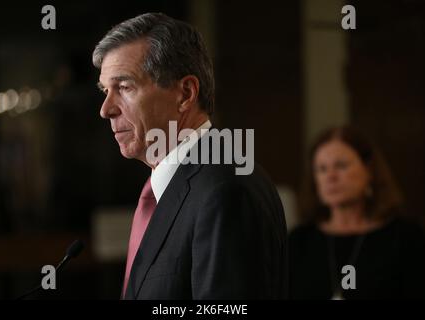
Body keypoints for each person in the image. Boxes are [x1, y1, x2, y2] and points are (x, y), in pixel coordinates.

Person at [92, 12, 287, 299]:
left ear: (185, 93)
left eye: (124, 87)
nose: (106, 109)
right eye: (105, 90)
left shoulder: (225, 189)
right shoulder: (173, 187)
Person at [289, 126, 425, 299]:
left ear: (369, 170)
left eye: (341, 166)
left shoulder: (407, 238)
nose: (330, 177)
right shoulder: (299, 241)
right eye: (321, 169)